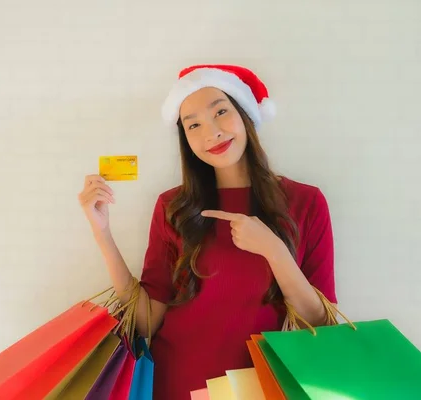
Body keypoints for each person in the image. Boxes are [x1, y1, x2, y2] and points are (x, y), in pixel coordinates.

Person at [78, 64, 337, 399]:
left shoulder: (306, 202)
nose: (211, 132)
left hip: (259, 388)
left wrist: (274, 250)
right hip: (175, 385)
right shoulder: (173, 206)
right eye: (193, 125)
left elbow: (321, 324)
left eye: (221, 112)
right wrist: (102, 233)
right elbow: (145, 322)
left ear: (245, 115)